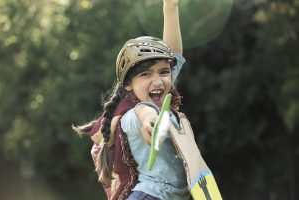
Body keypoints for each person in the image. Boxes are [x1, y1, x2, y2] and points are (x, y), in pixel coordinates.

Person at [73, 0, 222, 199]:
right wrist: (149, 123)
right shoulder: (128, 116)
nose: (157, 81)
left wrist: (170, 7)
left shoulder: (160, 90)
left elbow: (174, 53)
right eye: (145, 74)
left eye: (163, 72)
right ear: (128, 85)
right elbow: (143, 112)